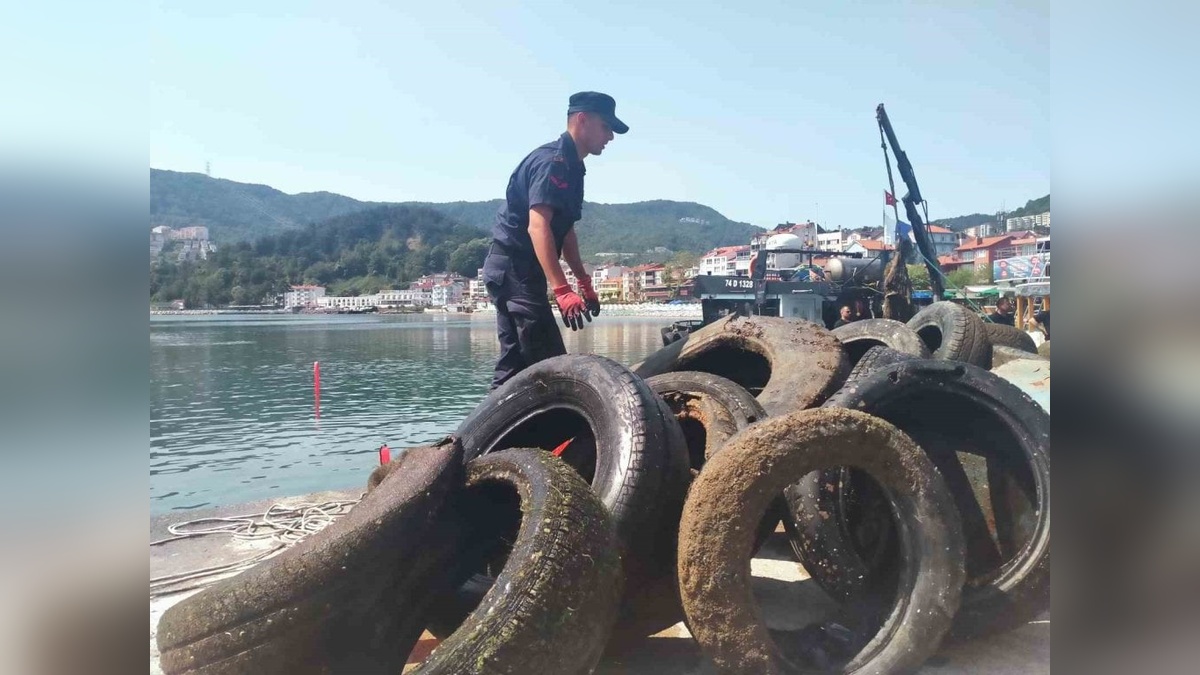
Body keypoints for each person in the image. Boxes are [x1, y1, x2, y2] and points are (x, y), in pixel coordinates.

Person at [481, 91, 629, 390]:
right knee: (550, 365)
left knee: (513, 367)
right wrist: (562, 290)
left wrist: (583, 282)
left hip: (519, 270)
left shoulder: (574, 167)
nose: (610, 137)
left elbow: (566, 231)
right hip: (513, 267)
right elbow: (538, 227)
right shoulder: (553, 162)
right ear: (582, 120)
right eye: (606, 127)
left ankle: (488, 421)